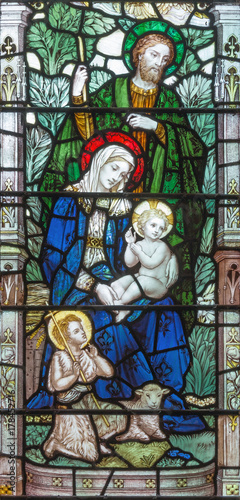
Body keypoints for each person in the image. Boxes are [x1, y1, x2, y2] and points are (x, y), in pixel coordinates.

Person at [29, 134, 205, 434]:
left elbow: (127, 261)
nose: (118, 179)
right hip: (76, 289)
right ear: (99, 163)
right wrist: (94, 285)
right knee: (107, 322)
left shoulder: (122, 207)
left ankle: (169, 396)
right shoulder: (69, 200)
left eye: (125, 175)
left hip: (119, 285)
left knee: (164, 308)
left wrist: (154, 259)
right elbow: (52, 258)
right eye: (115, 169)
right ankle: (134, 400)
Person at [43, 312, 114, 461]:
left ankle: (97, 439)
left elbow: (108, 373)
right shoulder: (59, 357)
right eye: (76, 331)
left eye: (82, 328)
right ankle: (56, 444)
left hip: (89, 404)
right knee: (92, 457)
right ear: (66, 337)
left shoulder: (86, 355)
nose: (82, 332)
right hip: (70, 408)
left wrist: (96, 357)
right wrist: (74, 375)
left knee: (119, 417)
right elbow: (57, 385)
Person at [109, 206, 178, 322]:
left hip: (158, 286)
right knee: (118, 284)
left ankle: (120, 303)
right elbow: (130, 263)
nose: (157, 230)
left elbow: (150, 264)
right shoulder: (139, 244)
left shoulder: (162, 247)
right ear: (142, 225)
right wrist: (130, 244)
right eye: (153, 225)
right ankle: (124, 309)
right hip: (142, 279)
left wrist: (139, 252)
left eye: (161, 228)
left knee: (142, 281)